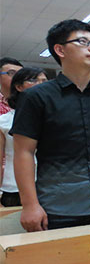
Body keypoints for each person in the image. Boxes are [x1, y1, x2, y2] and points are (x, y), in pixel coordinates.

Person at [11, 19, 90, 234]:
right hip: (59, 206)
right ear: (60, 50)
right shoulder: (36, 97)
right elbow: (24, 152)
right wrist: (30, 204)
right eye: (82, 42)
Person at [0, 67, 48, 207]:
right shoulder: (4, 121)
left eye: (44, 81)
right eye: (33, 80)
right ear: (19, 87)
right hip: (14, 188)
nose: (40, 85)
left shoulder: (54, 118)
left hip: (50, 186)